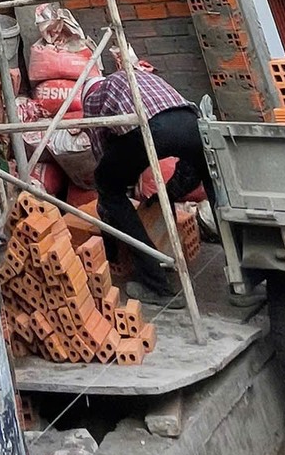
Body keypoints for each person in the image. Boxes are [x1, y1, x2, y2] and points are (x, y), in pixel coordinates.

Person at [81, 56, 211, 301]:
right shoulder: (137, 74)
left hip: (152, 128)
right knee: (208, 183)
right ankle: (242, 278)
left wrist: (115, 186)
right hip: (192, 123)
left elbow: (101, 149)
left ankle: (156, 285)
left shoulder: (92, 99)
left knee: (108, 187)